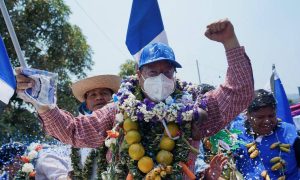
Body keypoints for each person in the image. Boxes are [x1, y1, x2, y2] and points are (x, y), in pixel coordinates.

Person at [16, 19, 254, 179]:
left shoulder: (193, 108)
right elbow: (75, 131)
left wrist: (229, 42)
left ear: (174, 73)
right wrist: (43, 104)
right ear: (139, 75)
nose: (161, 78)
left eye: (167, 71)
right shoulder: (118, 111)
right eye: (153, 72)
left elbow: (237, 95)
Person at [35, 75, 121, 180]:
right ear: (86, 103)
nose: (99, 97)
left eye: (104, 93)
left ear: (112, 97)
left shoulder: (124, 115)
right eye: (93, 95)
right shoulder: (81, 129)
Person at [231, 89, 300, 179]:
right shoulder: (237, 133)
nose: (267, 121)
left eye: (271, 116)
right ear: (247, 115)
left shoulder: (288, 132)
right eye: (260, 117)